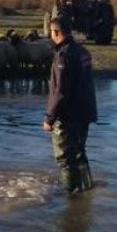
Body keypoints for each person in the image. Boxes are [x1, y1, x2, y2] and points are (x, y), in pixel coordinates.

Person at [42, 17, 98, 194]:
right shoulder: (83, 52)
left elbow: (60, 91)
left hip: (68, 115)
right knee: (79, 153)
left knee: (65, 158)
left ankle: (71, 196)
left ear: (56, 32)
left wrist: (50, 118)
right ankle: (86, 191)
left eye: (51, 32)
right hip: (85, 112)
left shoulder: (63, 56)